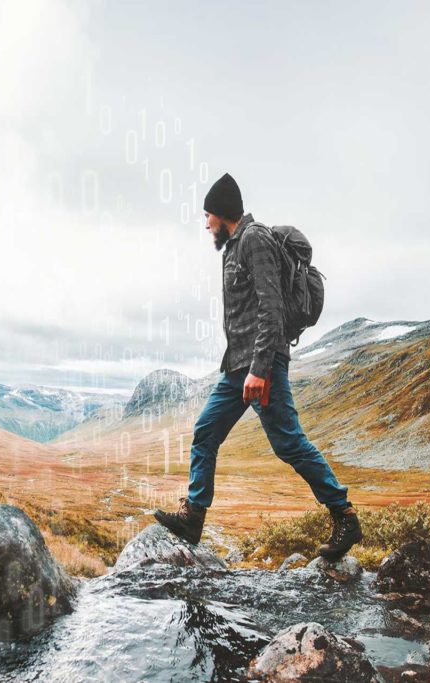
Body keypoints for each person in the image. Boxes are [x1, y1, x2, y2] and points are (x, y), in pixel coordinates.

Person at [153, 172, 362, 560]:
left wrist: (260, 369)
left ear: (221, 212)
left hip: (259, 366)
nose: (206, 224)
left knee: (289, 444)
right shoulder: (233, 247)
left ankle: (344, 516)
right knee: (205, 432)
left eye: (208, 216)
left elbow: (272, 307)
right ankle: (193, 516)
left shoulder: (255, 240)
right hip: (237, 368)